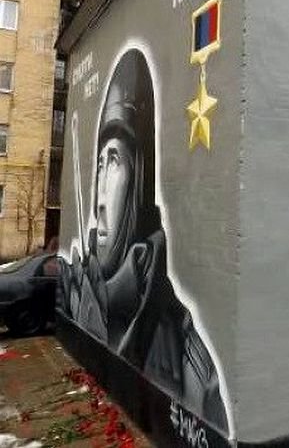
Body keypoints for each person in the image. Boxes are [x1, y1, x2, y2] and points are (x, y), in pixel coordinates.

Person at [60, 49, 227, 432]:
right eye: (99, 164)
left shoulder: (188, 360)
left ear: (140, 181)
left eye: (115, 161)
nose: (100, 199)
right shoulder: (75, 290)